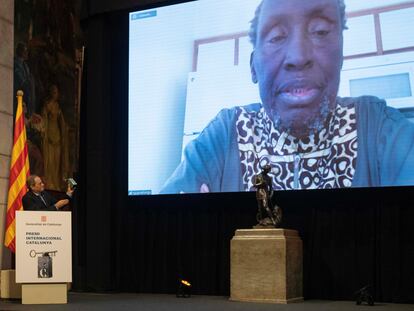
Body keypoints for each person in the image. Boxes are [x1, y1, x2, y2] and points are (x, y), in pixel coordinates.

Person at [161, 0, 414, 194]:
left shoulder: (379, 127)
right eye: (277, 37)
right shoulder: (225, 135)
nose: (298, 56)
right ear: (253, 67)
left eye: (320, 31)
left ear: (341, 55)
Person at [41, 84, 70, 191]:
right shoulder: (47, 105)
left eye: (57, 92)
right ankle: (49, 183)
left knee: (57, 163)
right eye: (54, 92)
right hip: (49, 135)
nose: (56, 94)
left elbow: (62, 122)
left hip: (57, 134)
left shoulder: (58, 106)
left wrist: (65, 131)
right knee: (50, 161)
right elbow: (44, 120)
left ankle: (56, 183)